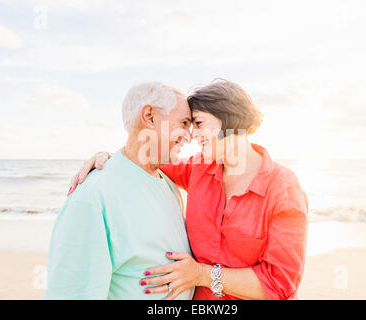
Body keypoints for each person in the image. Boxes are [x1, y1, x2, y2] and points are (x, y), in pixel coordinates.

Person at [69, 79, 308, 300]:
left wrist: (201, 275)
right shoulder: (198, 168)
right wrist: (107, 158)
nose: (191, 135)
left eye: (199, 123)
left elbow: (280, 282)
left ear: (229, 119)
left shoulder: (283, 188)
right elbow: (146, 155)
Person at [44, 82, 194, 299]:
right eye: (184, 123)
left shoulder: (169, 186)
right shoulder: (92, 196)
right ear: (150, 116)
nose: (189, 136)